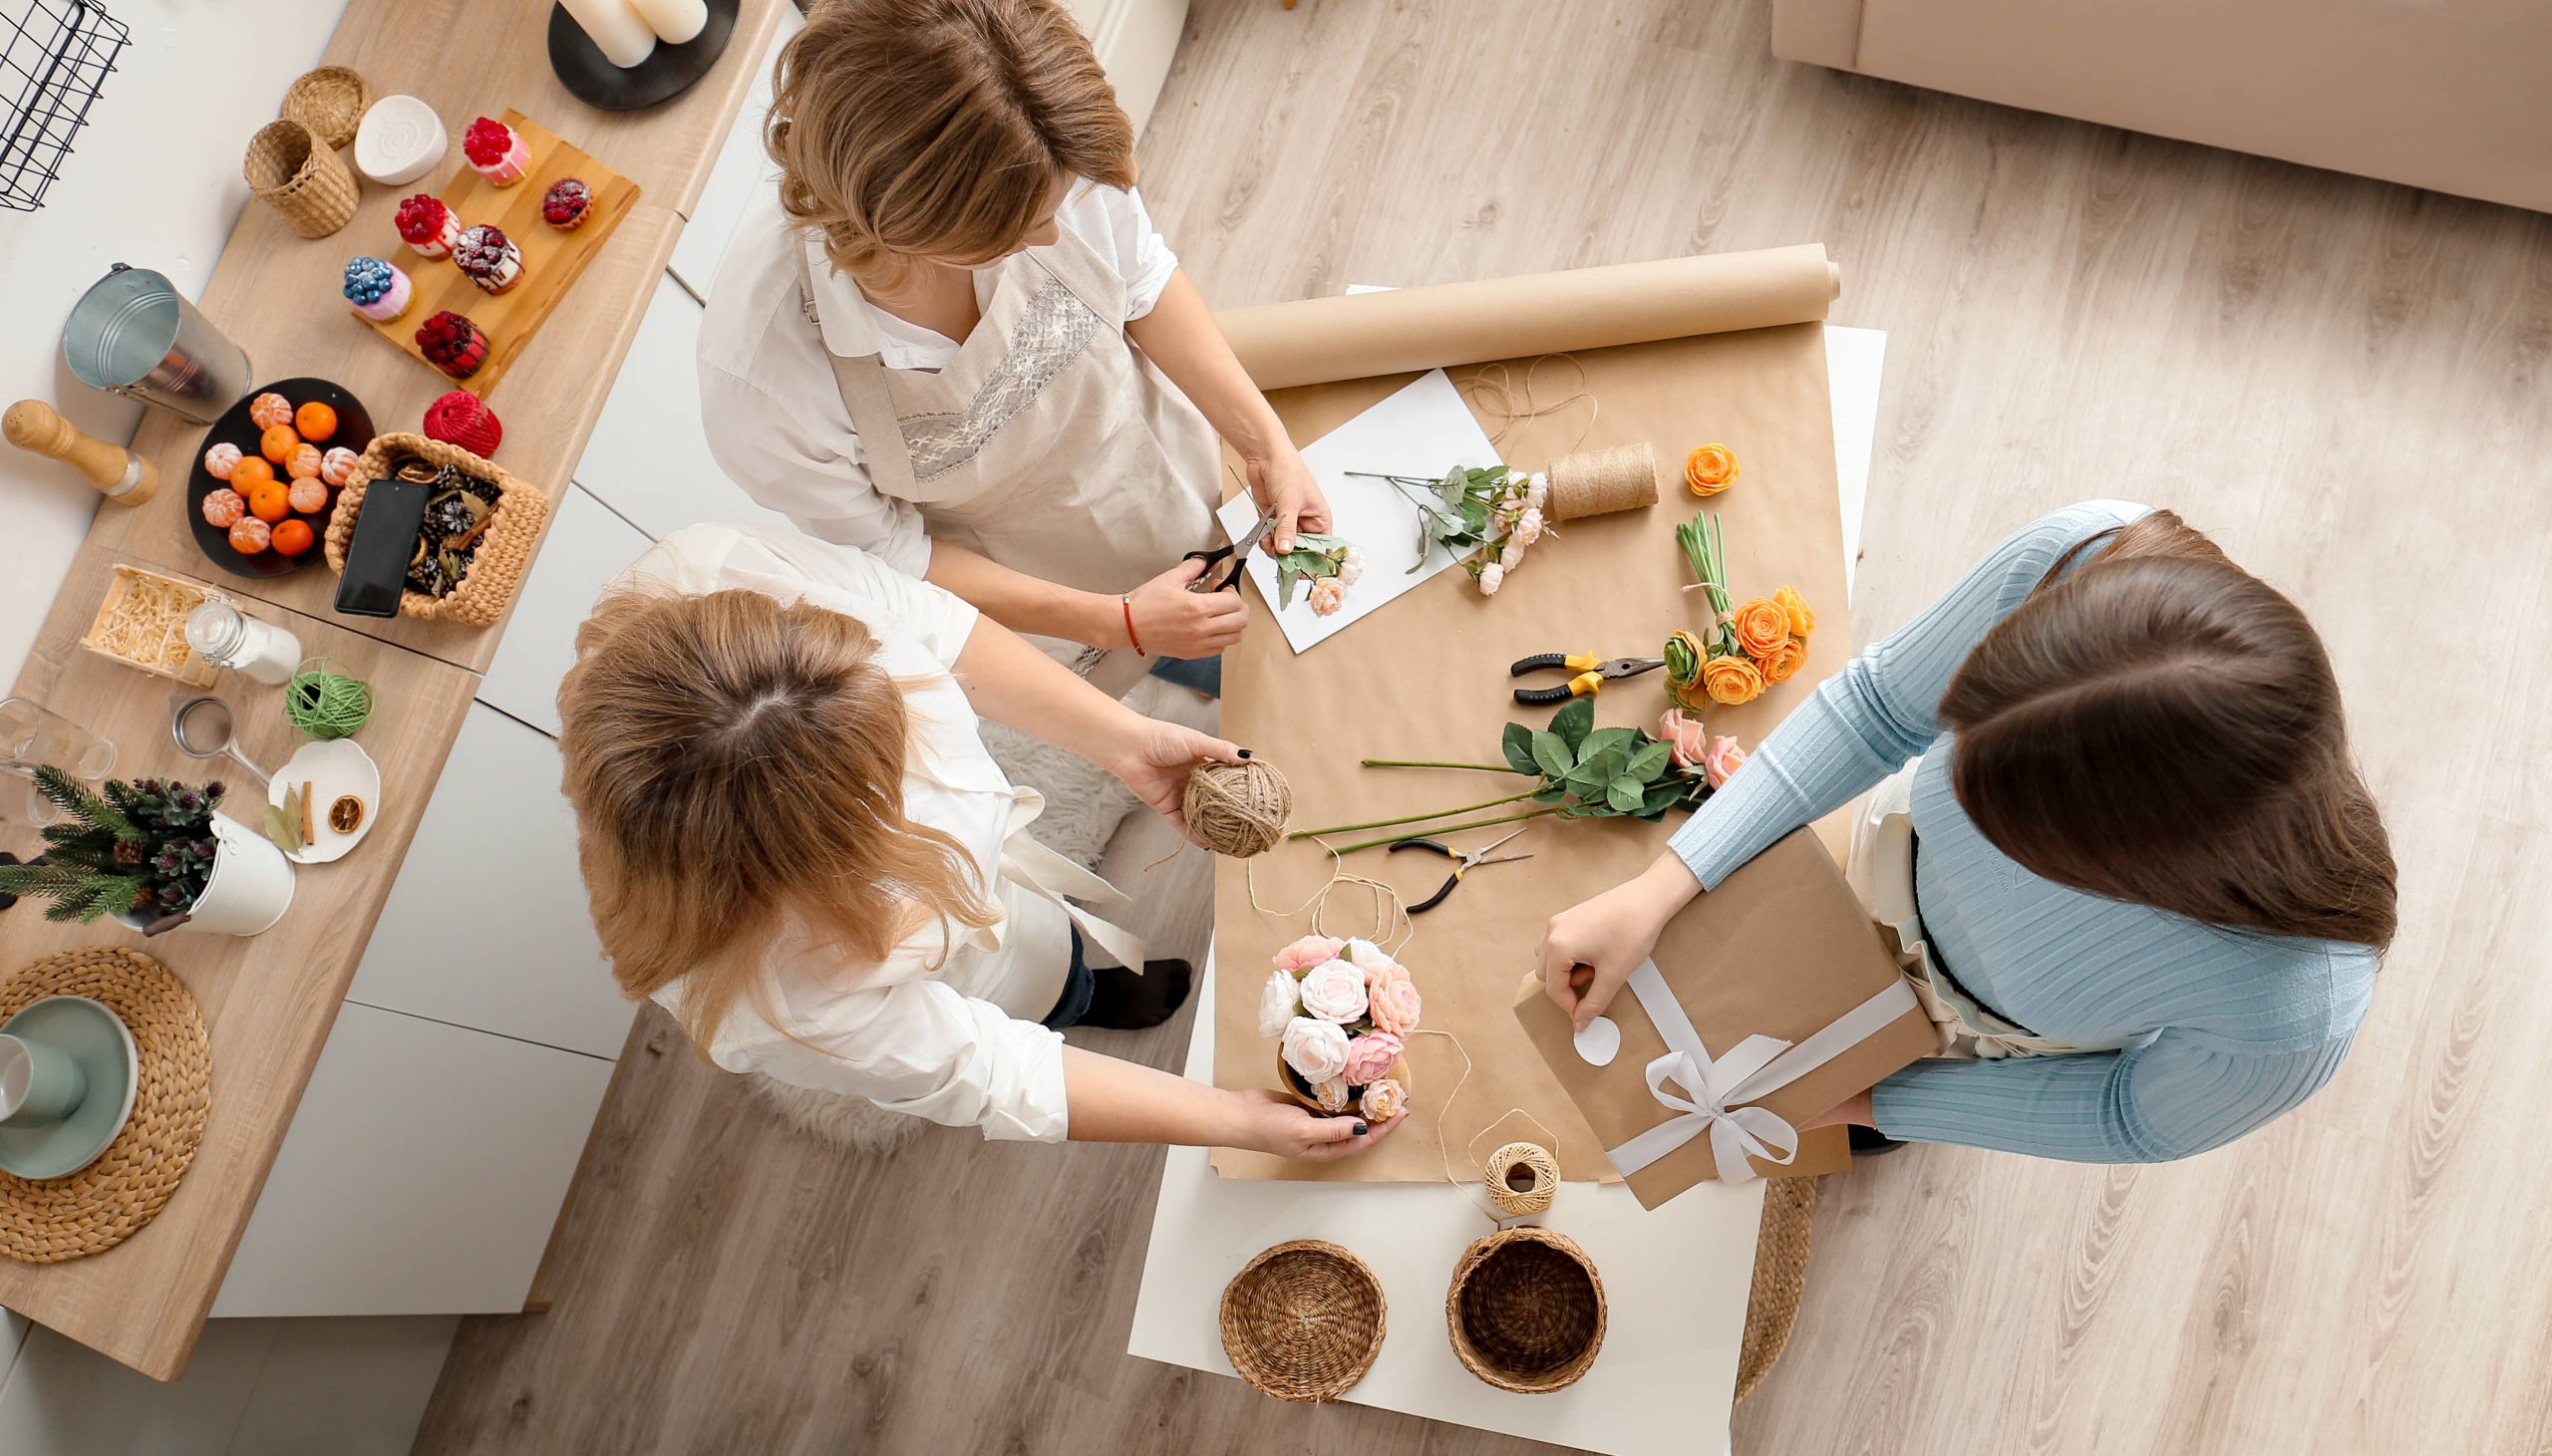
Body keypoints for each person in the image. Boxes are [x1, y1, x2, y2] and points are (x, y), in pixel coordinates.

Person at [1537, 501, 2395, 1163]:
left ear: (2121, 869)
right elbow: (1879, 710)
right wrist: (1666, 882)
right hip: (1849, 883)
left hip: (1960, 1041)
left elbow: (2127, 1114)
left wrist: (1871, 1103)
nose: (1944, 775)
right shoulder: (2083, 556)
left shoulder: (2291, 1009)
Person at [557, 522, 1395, 1159]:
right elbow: (987, 1067)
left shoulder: (720, 582)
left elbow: (943, 633)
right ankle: (1080, 999)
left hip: (943, 878)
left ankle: (1076, 971)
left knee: (1043, 927)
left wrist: (1124, 740)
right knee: (1029, 985)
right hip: (948, 968)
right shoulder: (773, 996)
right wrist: (1233, 1118)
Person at [698, 0, 1326, 690]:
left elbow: (1142, 279)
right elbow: (896, 550)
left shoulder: (1038, 132)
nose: (1056, 237)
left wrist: (1266, 440)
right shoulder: (763, 383)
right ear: (914, 234)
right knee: (1207, 681)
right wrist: (1118, 621)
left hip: (1157, 473)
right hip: (1044, 592)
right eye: (1031, 225)